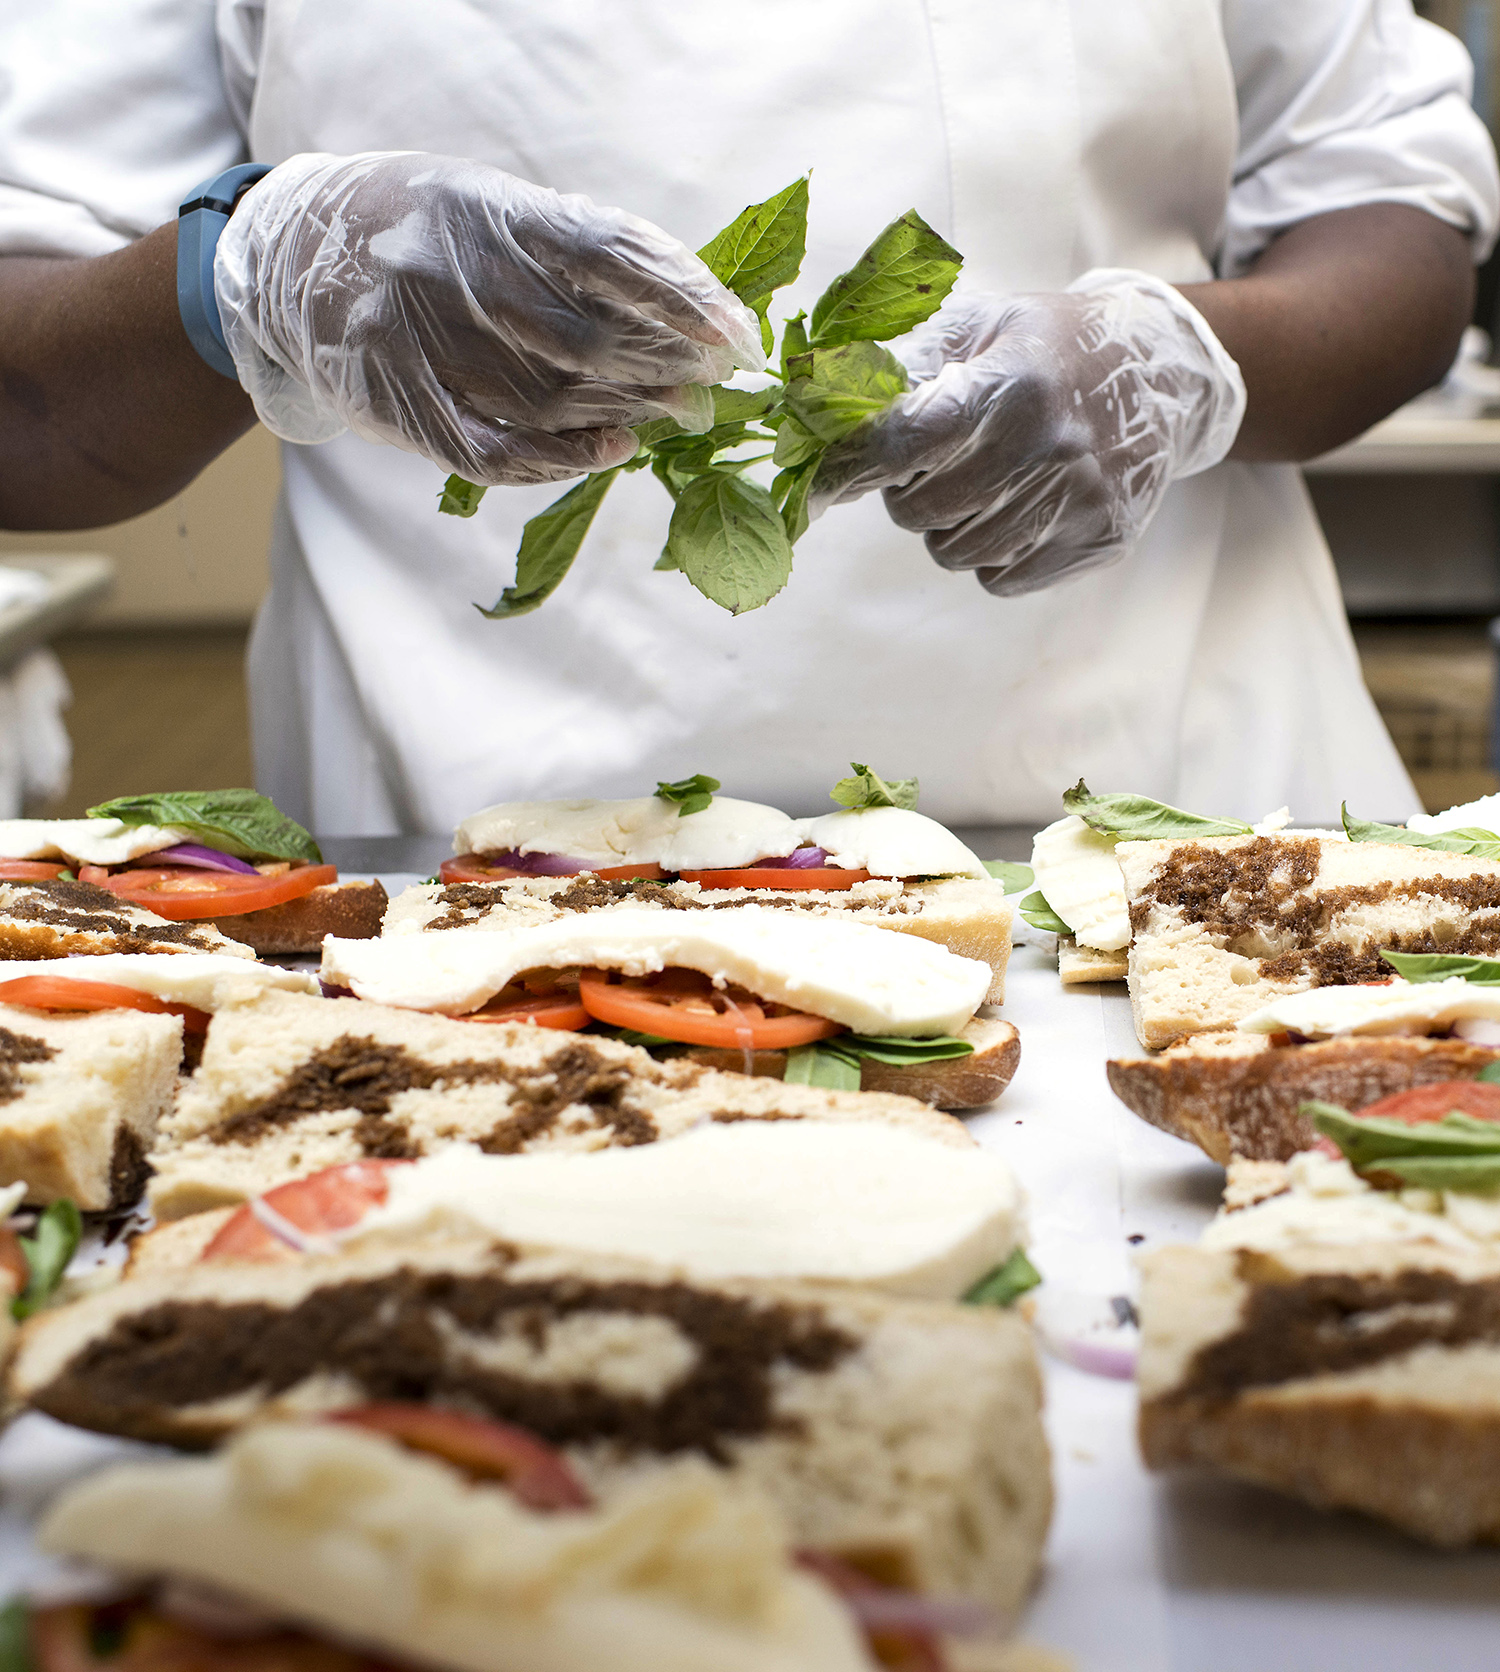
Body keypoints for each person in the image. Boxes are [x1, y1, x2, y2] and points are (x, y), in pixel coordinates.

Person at [0, 1, 1495, 834]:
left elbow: (1394, 210)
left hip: (1175, 844)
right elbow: (25, 392)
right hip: (474, 887)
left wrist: (1186, 359)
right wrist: (248, 274)